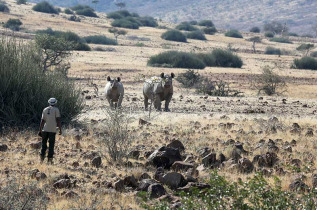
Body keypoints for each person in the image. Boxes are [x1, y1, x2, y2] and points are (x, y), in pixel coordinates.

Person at [39, 98, 62, 164]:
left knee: (44, 144)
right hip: (52, 130)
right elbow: (58, 120)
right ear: (55, 103)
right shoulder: (56, 110)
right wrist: (60, 129)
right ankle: (50, 160)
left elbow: (42, 121)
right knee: (51, 145)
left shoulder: (45, 109)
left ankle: (41, 159)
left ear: (49, 102)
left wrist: (40, 130)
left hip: (45, 129)